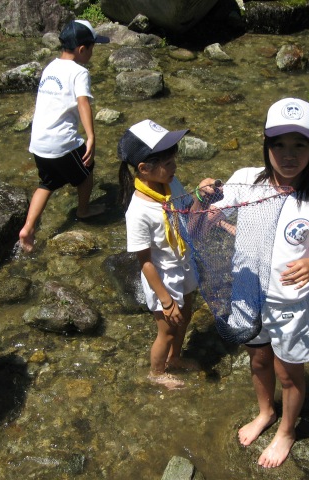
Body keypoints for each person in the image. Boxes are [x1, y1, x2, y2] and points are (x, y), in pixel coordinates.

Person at [227, 98, 309, 468]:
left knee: (288, 373)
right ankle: (266, 412)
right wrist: (206, 191)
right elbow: (211, 210)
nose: (289, 155)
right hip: (247, 292)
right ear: (266, 144)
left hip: (289, 303)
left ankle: (287, 431)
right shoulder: (246, 180)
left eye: (299, 146)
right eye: (279, 144)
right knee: (259, 359)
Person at [118, 119, 215, 390]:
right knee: (167, 330)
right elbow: (145, 262)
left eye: (174, 161)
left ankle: (175, 358)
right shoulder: (138, 211)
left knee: (185, 317)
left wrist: (201, 194)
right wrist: (165, 300)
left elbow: (187, 212)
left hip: (184, 263)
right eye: (168, 163)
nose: (175, 168)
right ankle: (156, 373)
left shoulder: (172, 185)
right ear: (144, 169)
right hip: (163, 277)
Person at [19, 20, 109, 252]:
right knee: (86, 170)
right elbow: (83, 102)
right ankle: (83, 210)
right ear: (82, 49)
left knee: (47, 183)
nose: (92, 52)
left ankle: (28, 227)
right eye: (92, 48)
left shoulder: (51, 67)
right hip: (61, 143)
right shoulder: (80, 72)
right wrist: (91, 136)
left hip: (39, 142)